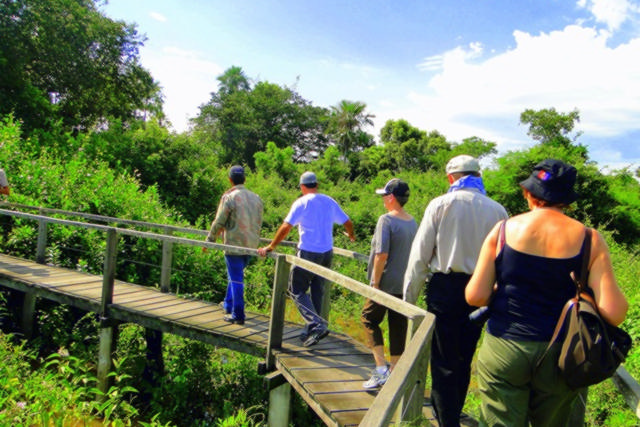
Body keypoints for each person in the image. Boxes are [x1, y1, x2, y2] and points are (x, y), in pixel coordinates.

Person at [465, 159, 628, 426]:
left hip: (506, 345)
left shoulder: (503, 230)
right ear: (567, 200)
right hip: (561, 353)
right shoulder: (590, 239)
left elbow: (475, 296)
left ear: (528, 192)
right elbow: (615, 312)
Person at [403, 154, 508, 427]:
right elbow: (504, 259)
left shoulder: (440, 204)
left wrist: (408, 300)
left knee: (443, 359)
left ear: (451, 178)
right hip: (482, 290)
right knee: (464, 355)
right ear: (478, 176)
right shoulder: (498, 210)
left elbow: (419, 257)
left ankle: (446, 420)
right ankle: (453, 413)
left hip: (445, 289)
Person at [258, 171, 355, 347]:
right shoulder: (329, 201)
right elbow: (348, 222)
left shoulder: (301, 203)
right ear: (316, 185)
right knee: (317, 290)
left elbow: (286, 227)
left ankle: (316, 325)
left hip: (308, 252)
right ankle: (314, 328)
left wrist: (271, 246)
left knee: (295, 289)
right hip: (326, 253)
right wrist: (351, 236)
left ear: (302, 187)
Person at [361, 178, 417, 389]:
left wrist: (374, 284)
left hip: (385, 283)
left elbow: (381, 254)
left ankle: (381, 369)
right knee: (397, 325)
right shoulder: (412, 222)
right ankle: (394, 371)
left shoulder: (386, 220)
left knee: (368, 319)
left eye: (385, 195)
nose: (383, 199)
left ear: (392, 197)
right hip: (404, 284)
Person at [205, 165, 263, 325]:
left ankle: (238, 314)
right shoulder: (256, 197)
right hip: (251, 246)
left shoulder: (230, 197)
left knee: (236, 279)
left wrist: (209, 240)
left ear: (230, 180)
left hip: (233, 245)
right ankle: (228, 305)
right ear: (244, 179)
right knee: (235, 276)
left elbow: (219, 221)